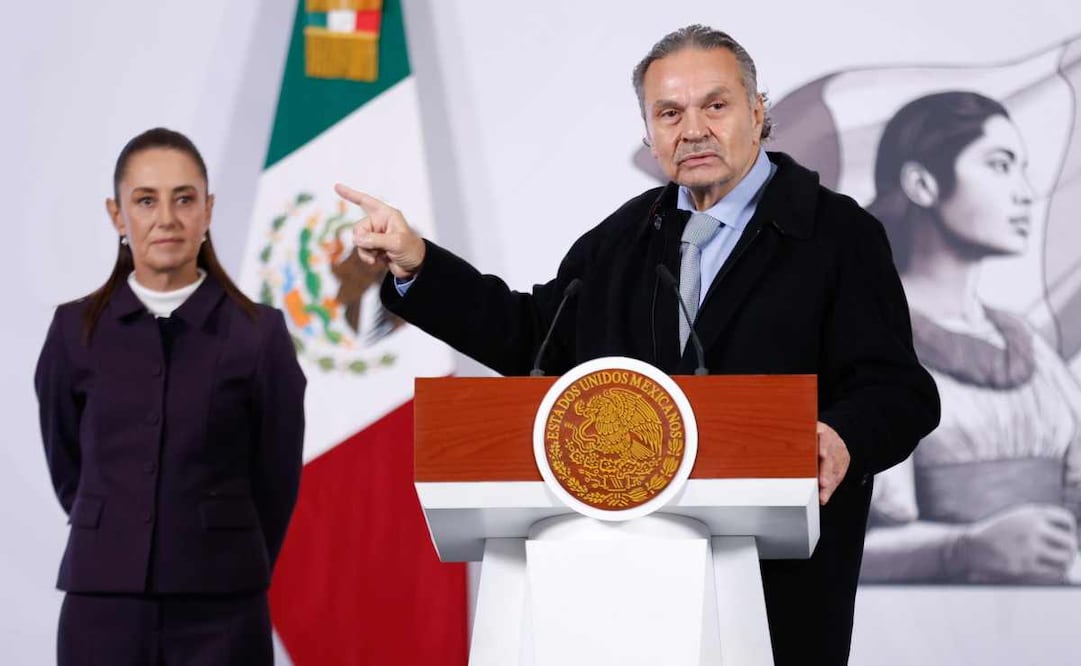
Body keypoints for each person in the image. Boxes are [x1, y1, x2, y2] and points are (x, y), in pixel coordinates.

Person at [338, 25, 940, 665]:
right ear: (650, 133)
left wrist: (842, 435)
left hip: (775, 591)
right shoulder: (625, 238)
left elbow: (899, 391)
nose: (693, 130)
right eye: (670, 113)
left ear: (759, 112)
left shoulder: (837, 233)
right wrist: (417, 265)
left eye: (716, 105)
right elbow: (530, 338)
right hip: (616, 591)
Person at [35, 127, 306, 665]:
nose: (166, 218)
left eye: (184, 199)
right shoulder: (74, 331)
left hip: (222, 606)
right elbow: (69, 467)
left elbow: (276, 480)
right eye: (145, 200)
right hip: (101, 605)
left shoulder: (258, 334)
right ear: (117, 215)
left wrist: (222, 545)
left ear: (207, 210)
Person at [860, 91, 1081, 584]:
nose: (1025, 192)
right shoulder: (866, 340)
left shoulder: (1027, 345)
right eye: (1000, 166)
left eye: (1022, 168)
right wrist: (963, 549)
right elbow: (828, 544)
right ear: (922, 183)